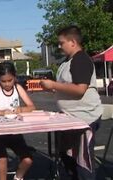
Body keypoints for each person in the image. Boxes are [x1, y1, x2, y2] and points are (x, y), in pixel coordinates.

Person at [40, 25, 102, 180]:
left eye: (62, 43)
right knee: (68, 157)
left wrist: (53, 85)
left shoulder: (81, 60)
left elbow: (80, 89)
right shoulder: (68, 61)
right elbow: (69, 87)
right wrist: (55, 89)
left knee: (83, 161)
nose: (59, 46)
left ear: (73, 42)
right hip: (71, 118)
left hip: (84, 118)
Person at [0, 62, 35, 180]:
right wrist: (2, 112)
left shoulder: (18, 88)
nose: (7, 84)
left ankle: (18, 177)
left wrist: (20, 109)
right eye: (3, 81)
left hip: (13, 131)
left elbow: (32, 107)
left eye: (10, 80)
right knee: (2, 157)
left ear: (15, 77)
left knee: (27, 159)